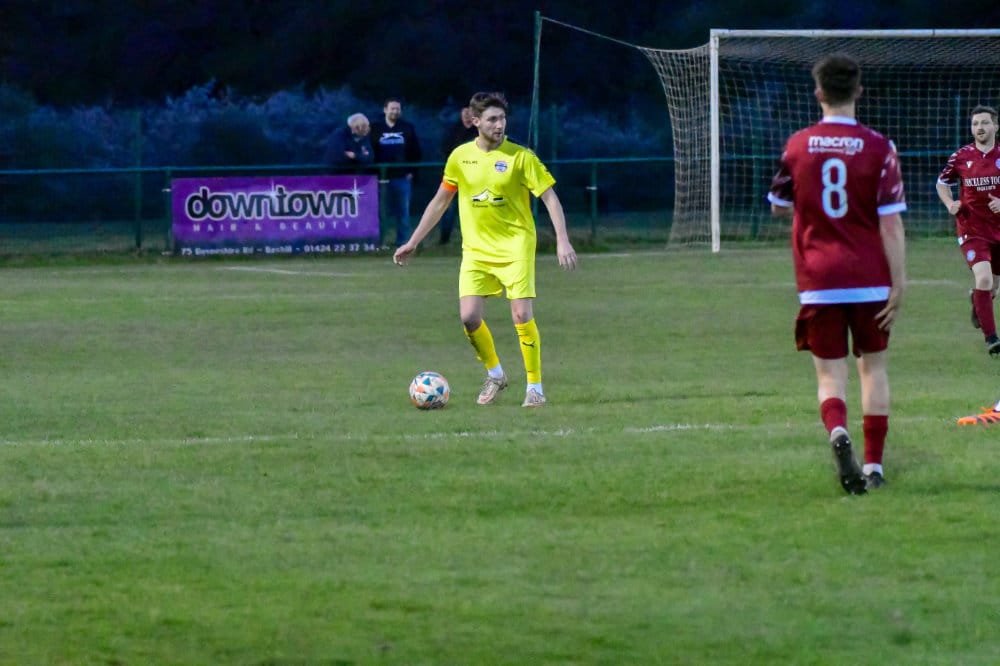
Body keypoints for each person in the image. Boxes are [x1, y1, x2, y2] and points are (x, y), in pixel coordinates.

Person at [767, 53, 907, 494]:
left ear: (818, 93)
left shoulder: (798, 145)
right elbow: (890, 223)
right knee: (873, 369)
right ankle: (874, 467)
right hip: (869, 277)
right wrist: (899, 282)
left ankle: (838, 431)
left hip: (819, 279)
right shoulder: (880, 147)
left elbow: (778, 205)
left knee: (830, 376)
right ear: (858, 91)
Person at [393, 91, 577, 408]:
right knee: (468, 317)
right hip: (476, 250)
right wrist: (413, 241)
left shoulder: (521, 157)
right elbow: (440, 201)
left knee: (521, 314)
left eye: (502, 118)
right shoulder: (460, 157)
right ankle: (495, 374)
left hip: (516, 245)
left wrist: (562, 239)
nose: (499, 124)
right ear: (475, 121)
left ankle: (535, 387)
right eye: (492, 119)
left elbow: (550, 197)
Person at [936, 105, 1000, 356]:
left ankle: (978, 300)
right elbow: (942, 183)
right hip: (971, 229)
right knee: (983, 279)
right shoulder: (961, 156)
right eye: (975, 124)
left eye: (984, 123)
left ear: (995, 126)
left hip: (998, 230)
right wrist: (950, 203)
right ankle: (992, 340)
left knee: (992, 288)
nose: (979, 128)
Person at [370, 97, 422, 246]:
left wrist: (412, 171)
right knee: (380, 212)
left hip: (402, 177)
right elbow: (370, 151)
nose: (395, 111)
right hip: (381, 178)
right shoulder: (375, 128)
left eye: (397, 109)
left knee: (403, 212)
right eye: (392, 108)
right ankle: (380, 243)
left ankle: (403, 243)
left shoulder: (407, 128)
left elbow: (416, 151)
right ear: (385, 110)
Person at [437, 105, 479, 245]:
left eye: (470, 112)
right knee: (448, 208)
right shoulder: (452, 130)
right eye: (464, 112)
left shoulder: (479, 131)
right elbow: (445, 150)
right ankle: (444, 240)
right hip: (455, 176)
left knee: (476, 207)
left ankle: (475, 239)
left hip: (475, 177)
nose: (467, 115)